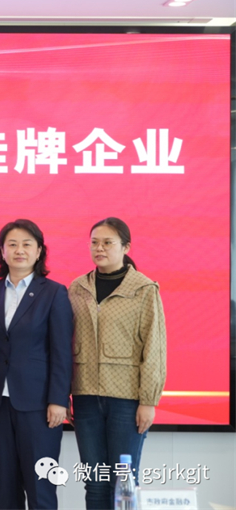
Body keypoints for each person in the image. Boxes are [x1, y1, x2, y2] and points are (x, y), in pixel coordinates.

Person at [0, 219, 73, 510]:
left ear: (39, 251)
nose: (19, 250)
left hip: (38, 405)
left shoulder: (54, 293)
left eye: (27, 244)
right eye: (12, 244)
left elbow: (62, 351)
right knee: (6, 489)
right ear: (2, 252)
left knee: (41, 490)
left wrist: (58, 399)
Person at [69, 217, 166, 509]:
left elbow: (154, 348)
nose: (99, 248)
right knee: (94, 481)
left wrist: (148, 401)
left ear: (126, 247)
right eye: (94, 242)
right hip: (85, 397)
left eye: (107, 243)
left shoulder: (144, 289)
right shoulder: (77, 288)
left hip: (127, 401)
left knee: (123, 480)